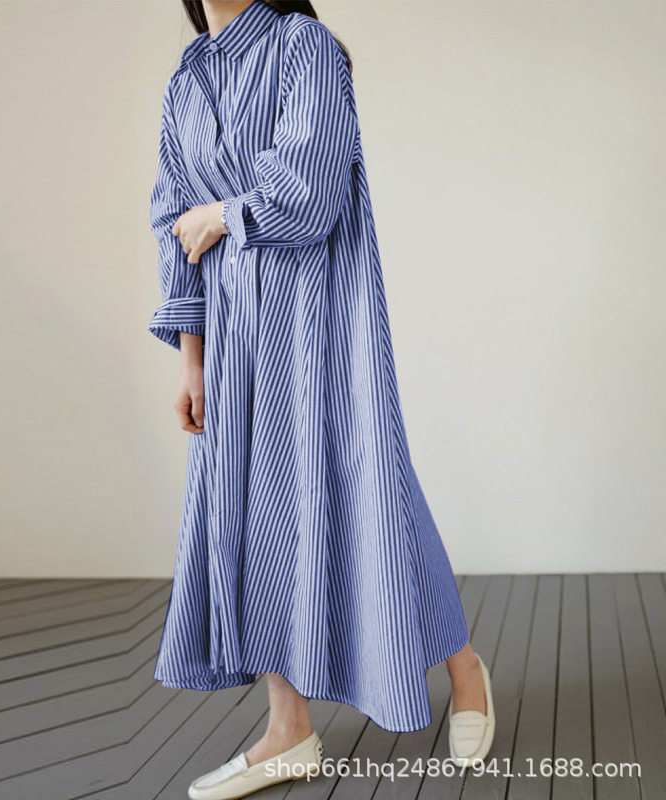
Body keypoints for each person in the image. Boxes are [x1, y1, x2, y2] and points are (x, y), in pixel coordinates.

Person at [146, 2, 496, 797]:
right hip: (231, 334)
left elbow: (309, 194)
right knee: (251, 509)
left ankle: (463, 668)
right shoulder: (186, 81)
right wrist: (191, 362)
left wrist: (220, 215)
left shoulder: (305, 48)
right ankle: (289, 728)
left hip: (318, 318)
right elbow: (171, 226)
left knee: (370, 486)